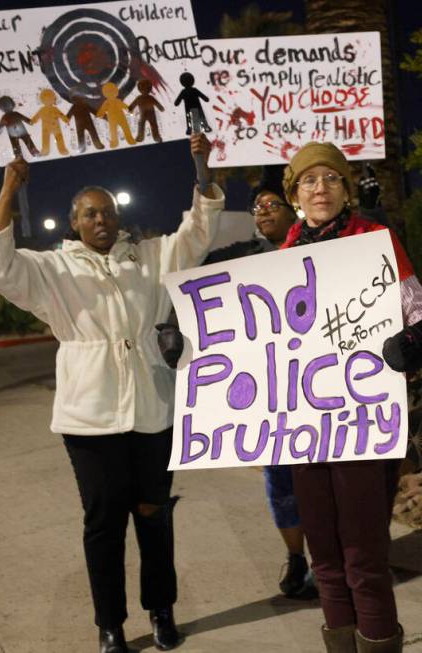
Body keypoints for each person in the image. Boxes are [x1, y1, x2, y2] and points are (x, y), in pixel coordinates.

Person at [0, 134, 224, 653]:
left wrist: (201, 166)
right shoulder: (53, 270)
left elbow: (198, 230)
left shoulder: (152, 257)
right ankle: (109, 624)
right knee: (104, 523)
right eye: (89, 214)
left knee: (155, 516)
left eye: (108, 212)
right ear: (74, 223)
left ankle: (162, 610)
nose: (101, 221)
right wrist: (7, 191)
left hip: (153, 412)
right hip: (89, 421)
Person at [281, 142, 422, 652]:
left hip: (362, 422)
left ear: (347, 189)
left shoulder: (375, 240)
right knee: (324, 557)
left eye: (331, 178)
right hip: (304, 430)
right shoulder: (280, 257)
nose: (320, 188)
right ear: (295, 195)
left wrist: (412, 342)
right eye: (308, 180)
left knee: (364, 557)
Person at [155, 167, 316, 599]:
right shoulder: (238, 256)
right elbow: (192, 286)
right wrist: (171, 326)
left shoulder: (325, 250)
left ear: (294, 209)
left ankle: (329, 563)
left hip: (320, 391)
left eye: (271, 204)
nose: (262, 211)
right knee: (281, 481)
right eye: (256, 206)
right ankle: (297, 558)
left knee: (321, 482)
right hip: (270, 394)